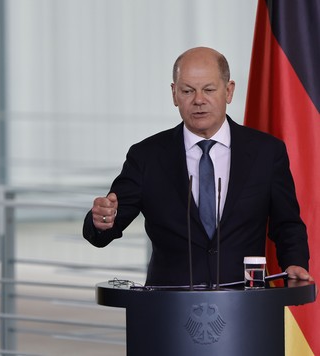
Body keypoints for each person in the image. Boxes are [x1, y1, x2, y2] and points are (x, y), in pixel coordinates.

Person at [83, 46, 311, 287]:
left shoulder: (267, 152)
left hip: (246, 306)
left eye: (209, 90)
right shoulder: (146, 156)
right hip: (169, 307)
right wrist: (101, 221)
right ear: (174, 94)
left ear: (229, 91)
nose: (199, 100)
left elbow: (287, 224)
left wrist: (295, 262)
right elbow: (107, 226)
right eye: (188, 91)